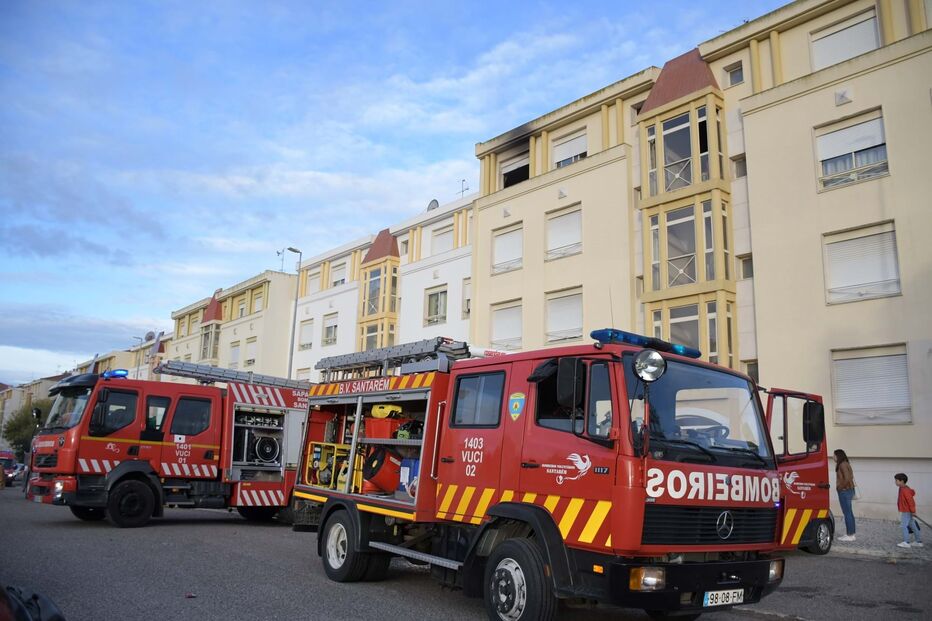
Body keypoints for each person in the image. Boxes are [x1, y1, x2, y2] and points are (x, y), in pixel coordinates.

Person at [894, 473, 922, 549]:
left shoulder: (905, 490)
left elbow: (911, 501)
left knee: (903, 526)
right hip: (907, 510)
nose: (895, 482)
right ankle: (918, 542)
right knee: (913, 525)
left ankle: (906, 542)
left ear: (902, 481)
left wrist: (913, 511)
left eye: (896, 480)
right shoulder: (902, 488)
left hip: (906, 511)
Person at [834, 449, 856, 542]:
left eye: (834, 455)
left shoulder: (842, 464)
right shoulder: (845, 463)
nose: (833, 457)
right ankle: (851, 533)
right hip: (848, 490)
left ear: (838, 456)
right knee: (849, 513)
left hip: (845, 491)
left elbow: (847, 478)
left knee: (847, 513)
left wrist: (840, 487)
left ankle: (850, 535)